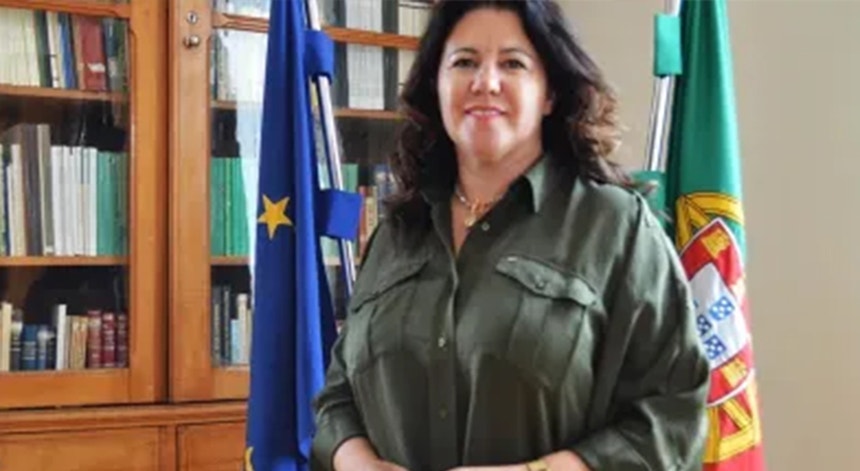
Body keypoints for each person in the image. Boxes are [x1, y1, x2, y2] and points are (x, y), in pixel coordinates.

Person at [311, 1, 710, 470]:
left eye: (513, 63)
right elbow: (338, 394)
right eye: (464, 62)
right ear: (436, 86)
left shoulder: (617, 228)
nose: (486, 82)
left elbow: (672, 418)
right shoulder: (396, 233)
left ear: (549, 93)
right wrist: (356, 461)